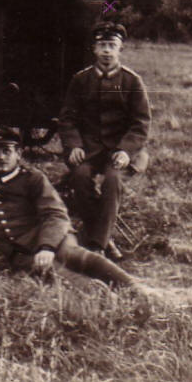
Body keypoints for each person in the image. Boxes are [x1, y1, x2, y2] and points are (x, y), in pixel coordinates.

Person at [0, 128, 139, 288]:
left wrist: (47, 247)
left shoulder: (33, 178)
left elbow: (55, 214)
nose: (1, 157)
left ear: (18, 154)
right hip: (17, 249)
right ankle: (96, 291)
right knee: (52, 272)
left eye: (7, 151)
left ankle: (133, 286)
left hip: (51, 236)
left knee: (72, 255)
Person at [58, 21, 151, 256]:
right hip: (88, 150)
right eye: (102, 46)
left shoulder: (132, 81)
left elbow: (141, 123)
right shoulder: (81, 80)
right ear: (94, 49)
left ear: (121, 49)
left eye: (112, 45)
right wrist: (74, 145)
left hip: (120, 152)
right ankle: (103, 237)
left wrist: (126, 151)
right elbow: (67, 118)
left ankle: (97, 245)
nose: (107, 51)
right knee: (80, 177)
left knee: (113, 180)